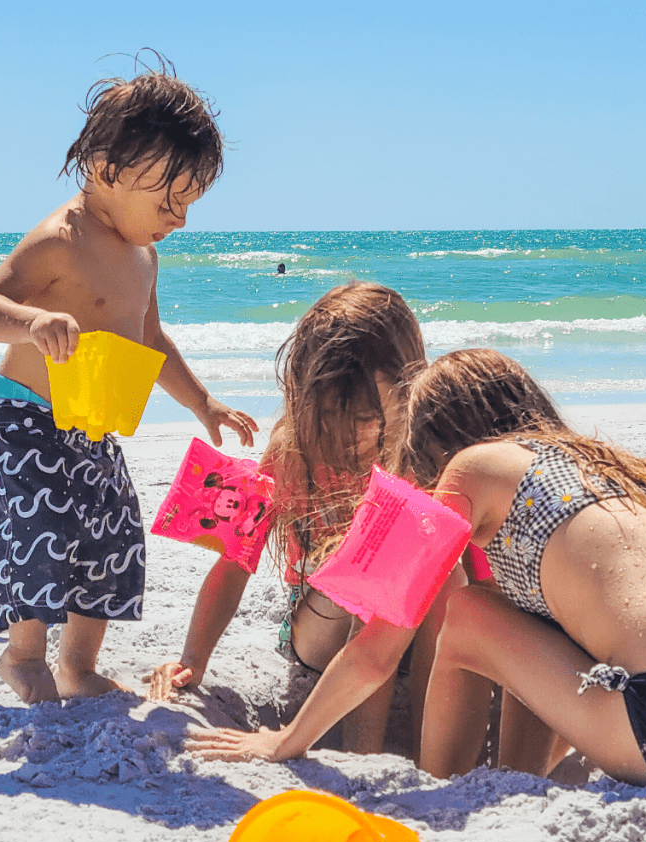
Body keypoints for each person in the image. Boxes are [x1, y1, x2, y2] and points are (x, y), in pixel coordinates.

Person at [0, 62, 257, 706]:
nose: (178, 218)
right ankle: (23, 658)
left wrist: (204, 402)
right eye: (167, 201)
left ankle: (79, 666)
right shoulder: (58, 241)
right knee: (36, 535)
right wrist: (34, 320)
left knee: (110, 538)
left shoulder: (144, 256)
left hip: (93, 423)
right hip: (25, 422)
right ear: (107, 170)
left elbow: (151, 342)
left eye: (188, 204)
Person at [144, 281, 442, 756]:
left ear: (406, 387)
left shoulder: (425, 447)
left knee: (447, 583)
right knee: (364, 585)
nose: (346, 433)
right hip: (323, 631)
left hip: (409, 641)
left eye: (365, 416)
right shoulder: (290, 451)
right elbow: (234, 562)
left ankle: (430, 741)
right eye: (326, 414)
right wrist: (191, 661)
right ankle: (361, 756)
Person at [402, 349, 646, 788]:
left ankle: (440, 791)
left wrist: (287, 741)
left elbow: (379, 642)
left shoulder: (472, 465)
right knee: (529, 611)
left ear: (439, 445)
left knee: (468, 614)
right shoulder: (623, 472)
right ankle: (519, 780)